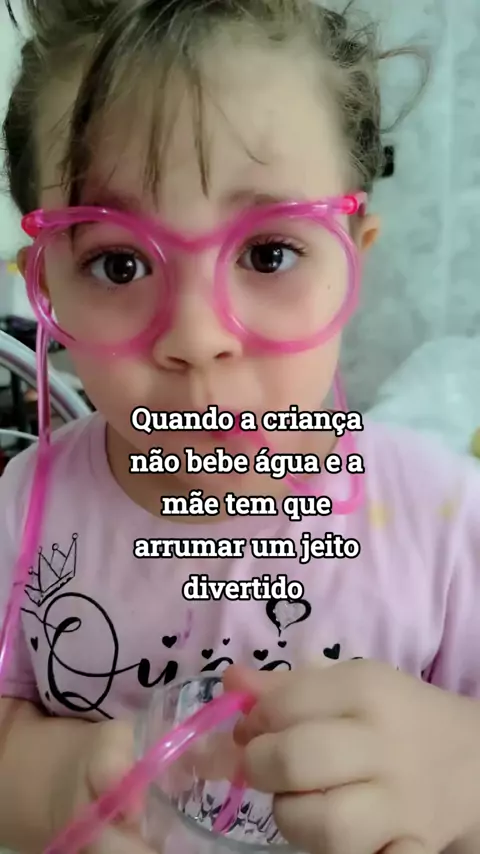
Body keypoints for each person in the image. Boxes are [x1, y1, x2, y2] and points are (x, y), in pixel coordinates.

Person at [0, 0, 479, 852]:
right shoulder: (20, 512)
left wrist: (465, 775)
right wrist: (55, 782)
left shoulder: (448, 522)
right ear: (46, 287)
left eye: (269, 254)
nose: (196, 337)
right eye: (118, 263)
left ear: (353, 259)